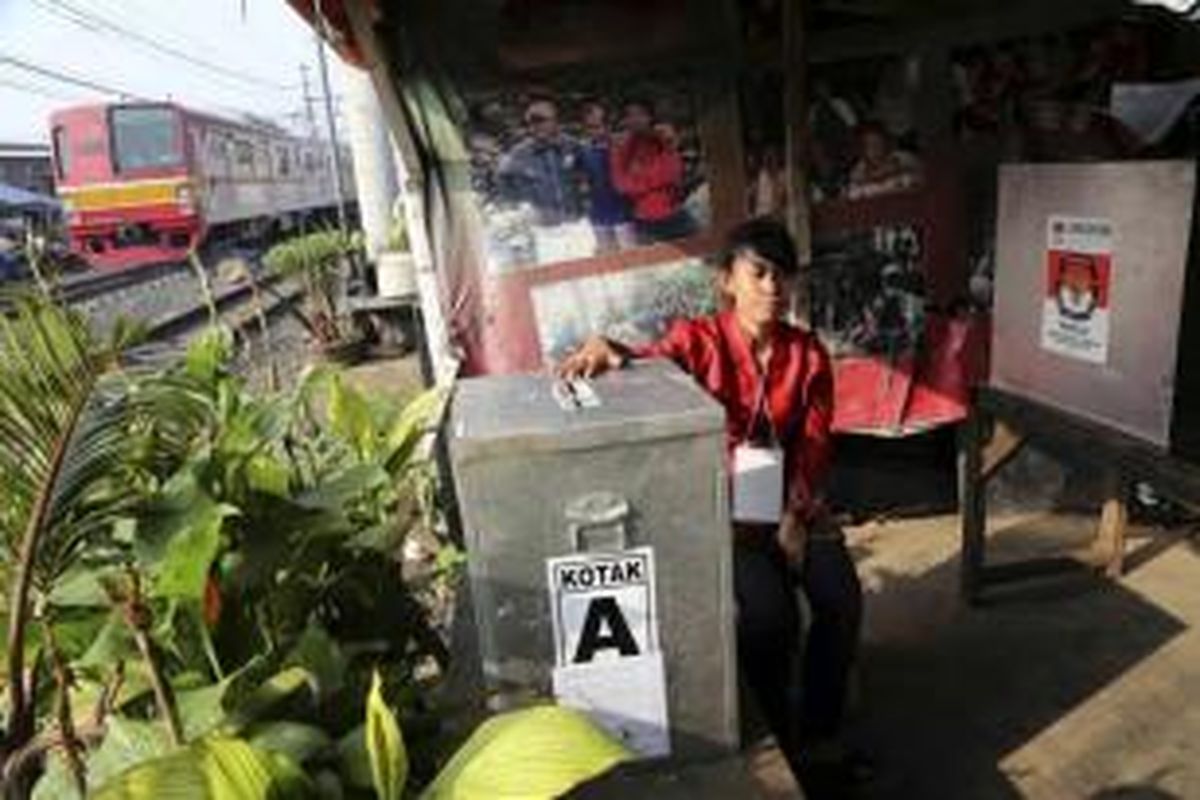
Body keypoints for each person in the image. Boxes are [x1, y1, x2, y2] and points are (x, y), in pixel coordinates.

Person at [558, 218, 865, 787]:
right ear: (729, 280)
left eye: (783, 275)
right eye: (759, 273)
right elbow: (647, 365)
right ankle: (777, 735)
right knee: (767, 618)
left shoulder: (808, 354)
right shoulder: (697, 341)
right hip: (726, 511)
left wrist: (795, 516)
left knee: (840, 597)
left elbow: (817, 443)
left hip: (793, 504)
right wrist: (611, 348)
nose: (773, 287)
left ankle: (819, 730)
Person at [610, 99, 697, 244]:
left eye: (640, 114)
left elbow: (672, 173)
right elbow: (620, 185)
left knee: (702, 249)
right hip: (644, 220)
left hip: (672, 215)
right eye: (630, 115)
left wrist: (640, 181)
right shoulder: (622, 148)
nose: (635, 119)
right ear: (625, 120)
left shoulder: (662, 138)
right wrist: (655, 181)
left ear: (650, 117)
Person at [496, 98, 584, 226]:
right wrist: (518, 206)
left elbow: (590, 175)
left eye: (542, 120)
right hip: (541, 228)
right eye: (531, 122)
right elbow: (503, 180)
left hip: (576, 223)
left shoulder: (572, 146)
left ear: (555, 121)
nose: (536, 126)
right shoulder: (518, 153)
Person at [578, 102, 634, 254]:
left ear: (607, 125)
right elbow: (582, 180)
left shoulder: (622, 146)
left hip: (624, 215)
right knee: (609, 263)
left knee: (632, 260)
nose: (595, 130)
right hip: (598, 217)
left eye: (598, 125)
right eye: (590, 126)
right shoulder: (583, 150)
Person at [846, 121, 923, 200]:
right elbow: (854, 194)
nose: (875, 149)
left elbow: (917, 181)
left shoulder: (904, 159)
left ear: (886, 143)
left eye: (878, 142)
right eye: (869, 145)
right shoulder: (857, 174)